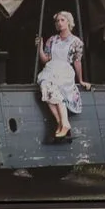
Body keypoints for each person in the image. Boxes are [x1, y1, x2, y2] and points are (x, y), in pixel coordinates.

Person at [37, 9, 86, 142]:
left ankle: (64, 123)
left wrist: (81, 80)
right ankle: (62, 123)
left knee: (53, 88)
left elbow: (77, 62)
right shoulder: (52, 40)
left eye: (62, 20)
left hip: (64, 70)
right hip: (51, 69)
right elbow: (45, 59)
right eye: (57, 21)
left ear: (69, 22)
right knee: (46, 88)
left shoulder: (76, 42)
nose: (59, 23)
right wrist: (40, 47)